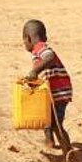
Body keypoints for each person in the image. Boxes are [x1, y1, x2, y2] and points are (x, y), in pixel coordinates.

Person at [22, 19, 73, 151]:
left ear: (27, 38)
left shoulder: (40, 47)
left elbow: (49, 57)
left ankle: (69, 152)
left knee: (56, 123)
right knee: (46, 118)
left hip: (59, 92)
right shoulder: (38, 50)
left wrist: (35, 71)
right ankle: (49, 142)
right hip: (54, 91)